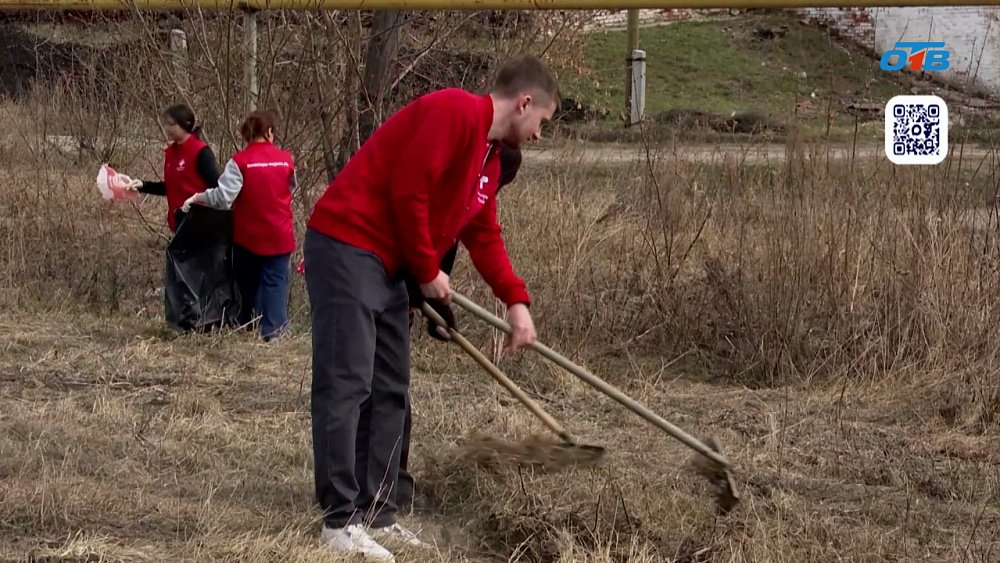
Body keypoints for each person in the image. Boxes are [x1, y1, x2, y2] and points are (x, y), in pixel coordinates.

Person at [302, 55, 559, 560]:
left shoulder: (487, 157)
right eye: (542, 123)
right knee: (348, 382)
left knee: (391, 387)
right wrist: (425, 270)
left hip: (389, 264)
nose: (538, 135)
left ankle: (379, 511)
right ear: (524, 103)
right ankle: (338, 520)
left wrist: (515, 302)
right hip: (348, 244)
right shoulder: (453, 111)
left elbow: (482, 232)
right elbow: (409, 190)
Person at [396, 141, 523, 514]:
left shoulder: (467, 200)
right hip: (379, 276)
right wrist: (418, 284)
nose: (491, 194)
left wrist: (433, 303)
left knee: (394, 391)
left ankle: (392, 485)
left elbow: (449, 249)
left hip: (403, 293)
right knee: (381, 391)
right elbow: (417, 231)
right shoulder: (445, 180)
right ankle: (377, 489)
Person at [181, 110, 298, 341]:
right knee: (275, 283)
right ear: (270, 132)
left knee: (248, 284)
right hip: (281, 233)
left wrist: (198, 197)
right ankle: (274, 332)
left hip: (249, 237)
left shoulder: (240, 162)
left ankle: (248, 326)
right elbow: (291, 189)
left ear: (247, 134)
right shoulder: (287, 159)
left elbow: (223, 198)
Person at [128, 104, 220, 233]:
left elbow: (217, 188)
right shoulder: (170, 153)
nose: (167, 128)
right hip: (178, 224)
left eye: (171, 124)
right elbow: (171, 187)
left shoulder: (201, 152)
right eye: (165, 124)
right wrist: (143, 185)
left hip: (200, 225)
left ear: (185, 124)